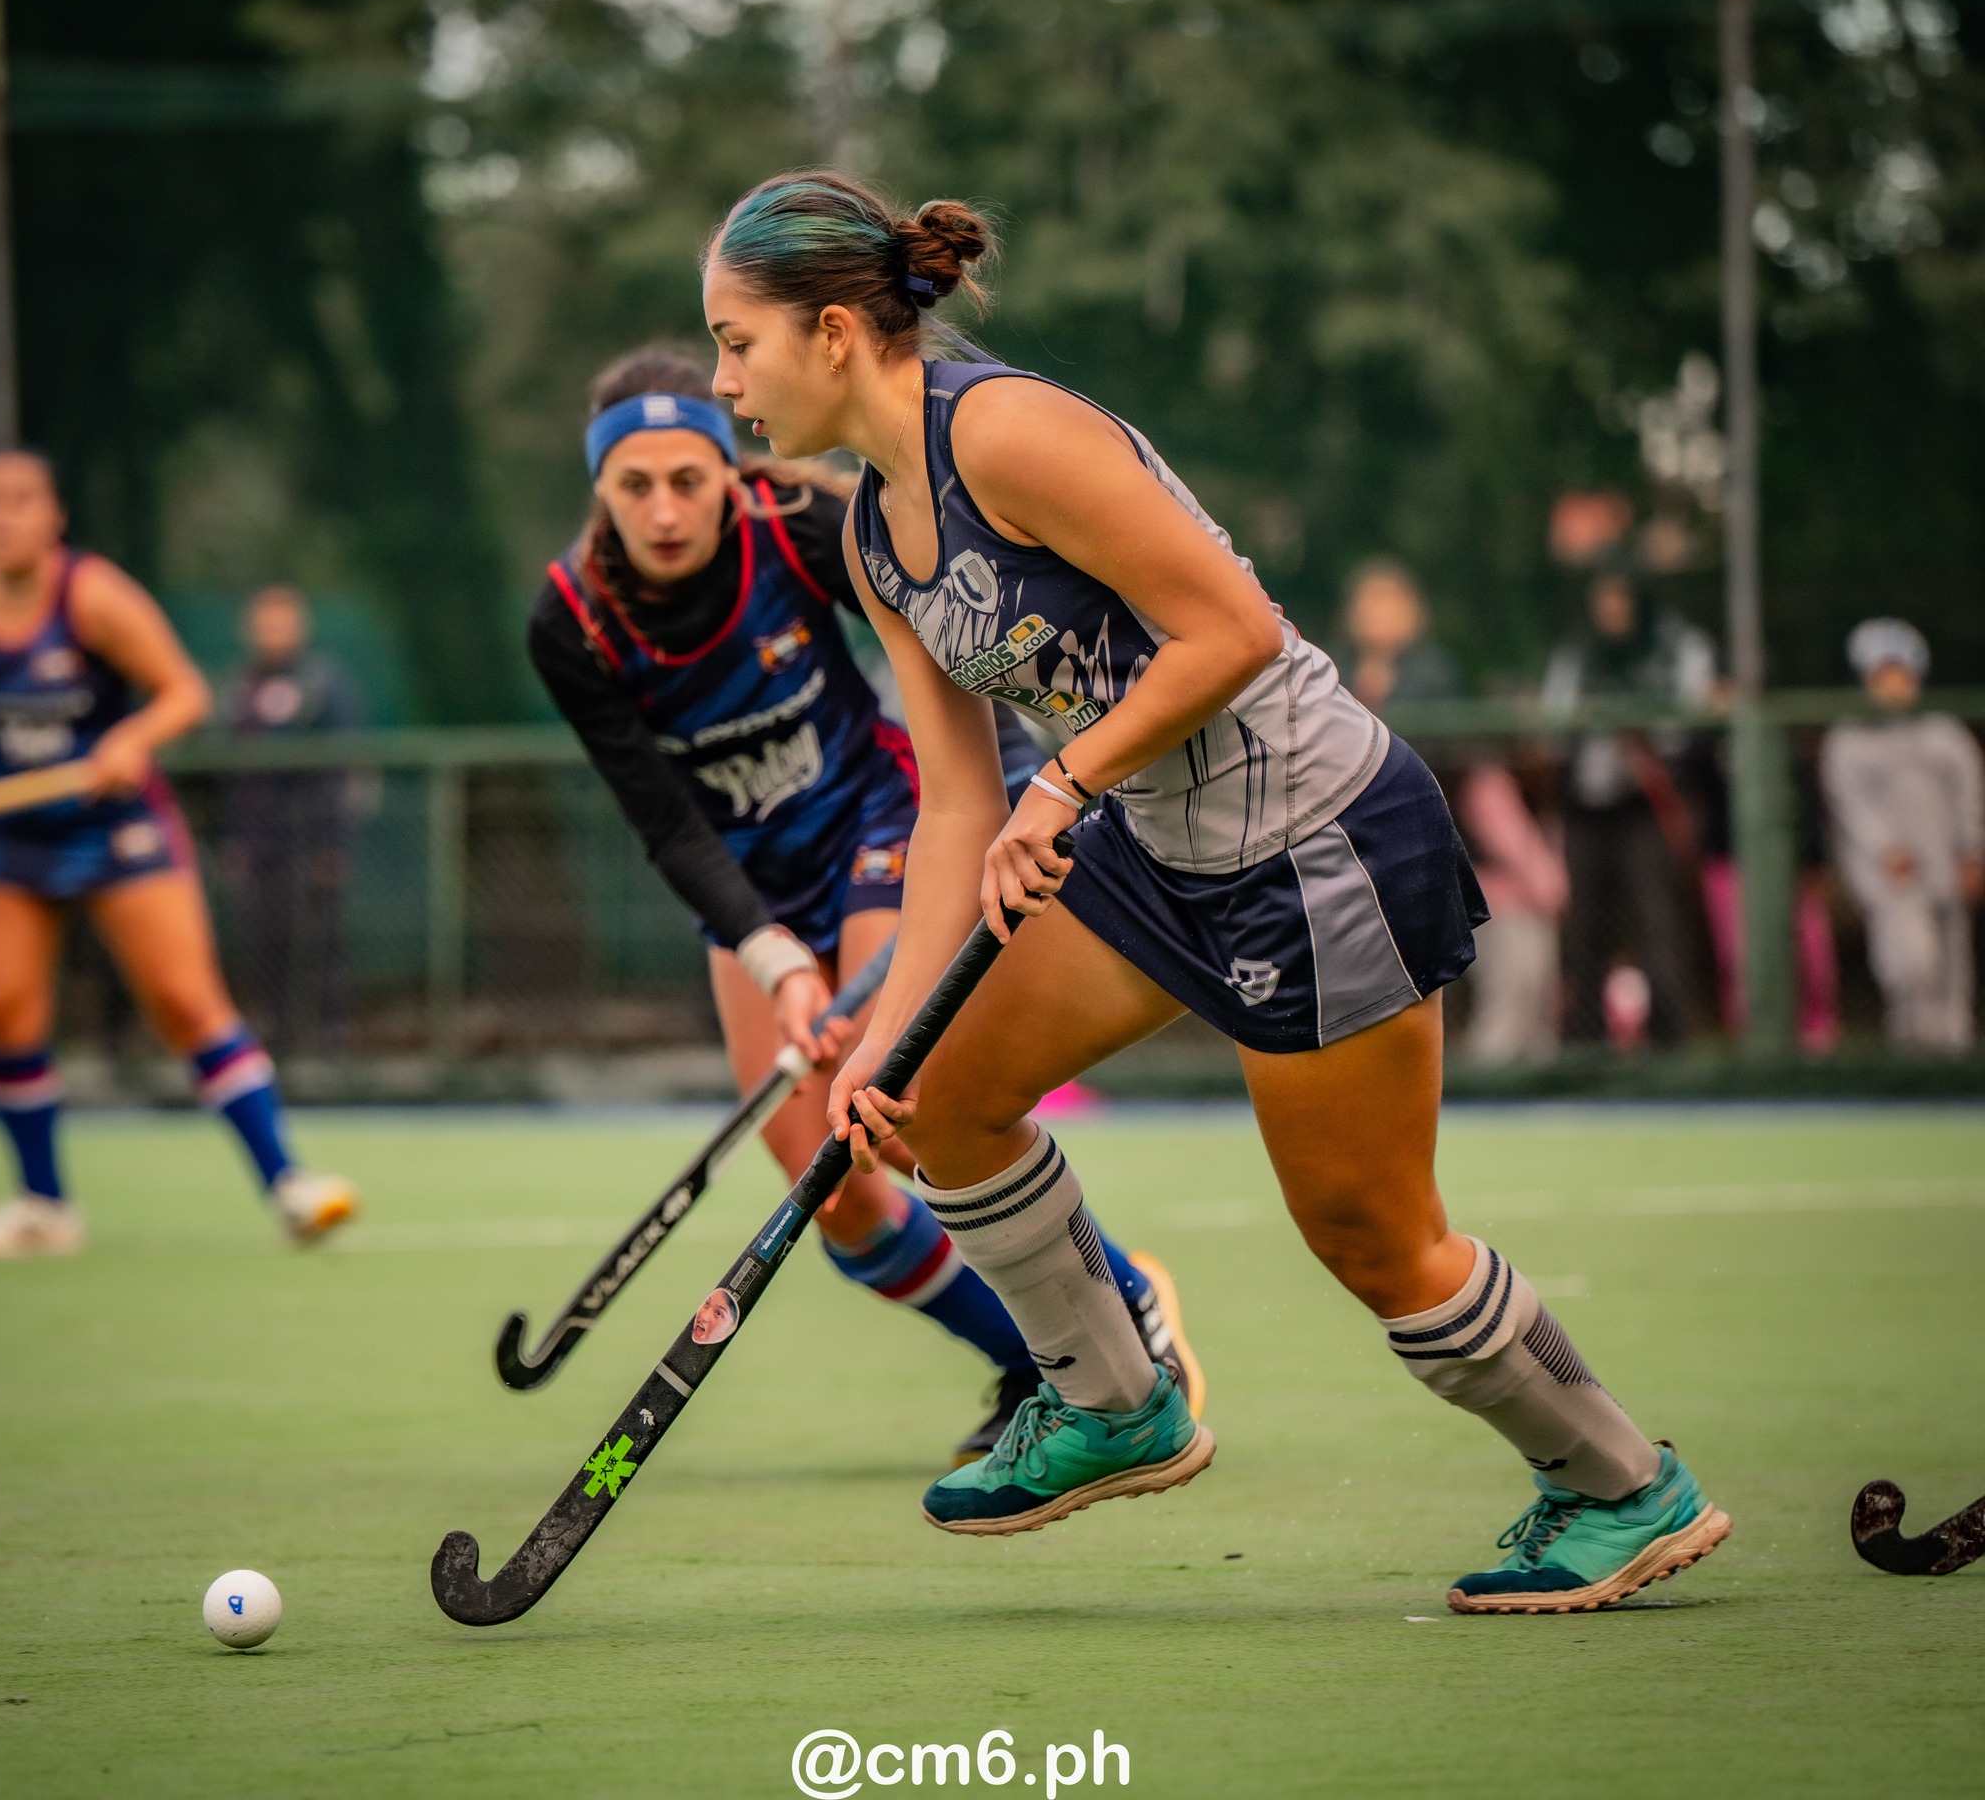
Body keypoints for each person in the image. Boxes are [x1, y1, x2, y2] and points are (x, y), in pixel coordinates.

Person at [701, 171, 1730, 1611]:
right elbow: (956, 805)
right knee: (939, 1099)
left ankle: (1621, 1483)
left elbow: (1233, 627)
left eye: (734, 342)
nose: (722, 381)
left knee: (1372, 1237)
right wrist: (882, 1046)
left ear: (828, 332)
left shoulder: (1004, 431)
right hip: (1156, 847)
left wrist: (1068, 781)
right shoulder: (876, 534)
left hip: (1317, 838)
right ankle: (1118, 1404)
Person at [527, 348, 1199, 1463]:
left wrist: (993, 807)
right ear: (598, 489)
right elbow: (667, 821)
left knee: (890, 1116)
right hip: (748, 888)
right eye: (632, 485)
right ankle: (1038, 1356)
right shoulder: (571, 620)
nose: (661, 509)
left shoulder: (799, 520)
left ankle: (1121, 1314)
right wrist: (773, 956)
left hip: (877, 825)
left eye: (686, 479)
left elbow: (945, 645)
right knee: (833, 1199)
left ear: (728, 472)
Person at [0, 450, 358, 1256]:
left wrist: (130, 738)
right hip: (11, 834)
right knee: (4, 1010)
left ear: (54, 515)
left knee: (184, 1001)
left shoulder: (92, 596)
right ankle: (43, 1207)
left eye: (20, 502)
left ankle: (289, 1184)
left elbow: (186, 692)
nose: (1, 518)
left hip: (115, 826)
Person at [1541, 560, 1715, 1046]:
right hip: (1587, 807)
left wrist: (1636, 717)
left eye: (1622, 599)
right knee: (1583, 933)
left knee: (1657, 925)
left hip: (1648, 805)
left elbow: (1689, 723)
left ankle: (1670, 1046)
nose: (1613, 611)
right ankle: (1584, 1046)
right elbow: (1553, 729)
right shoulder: (1579, 652)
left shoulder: (1676, 645)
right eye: (1604, 600)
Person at [1821, 619, 1984, 1052]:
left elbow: (1970, 793)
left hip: (1944, 861)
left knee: (1952, 969)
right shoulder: (1848, 739)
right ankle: (1912, 1050)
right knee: (1909, 961)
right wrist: (1885, 848)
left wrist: (1972, 851)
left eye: (1900, 672)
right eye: (1882, 674)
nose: (1893, 684)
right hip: (1890, 875)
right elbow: (1851, 807)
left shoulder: (1945, 733)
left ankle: (1953, 1057)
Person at [220, 584, 365, 1056]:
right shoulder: (238, 689)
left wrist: (334, 843)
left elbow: (348, 766)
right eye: (265, 623)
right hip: (259, 845)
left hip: (311, 840)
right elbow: (226, 773)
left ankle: (330, 1044)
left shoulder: (326, 684)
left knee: (321, 945)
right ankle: (275, 1046)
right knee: (265, 945)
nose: (274, 633)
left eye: (283, 622)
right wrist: (233, 841)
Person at [1456, 757, 1567, 1063]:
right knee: (1507, 998)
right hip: (1501, 908)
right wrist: (1550, 889)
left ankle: (1540, 1090)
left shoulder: (1541, 784)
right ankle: (1486, 1090)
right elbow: (1510, 843)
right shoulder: (1489, 780)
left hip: (1534, 910)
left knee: (1539, 1004)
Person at [1334, 558, 1461, 712]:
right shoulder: (1331, 670)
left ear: (1411, 611)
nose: (1375, 612)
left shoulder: (1434, 673)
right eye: (1368, 600)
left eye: (1384, 600)